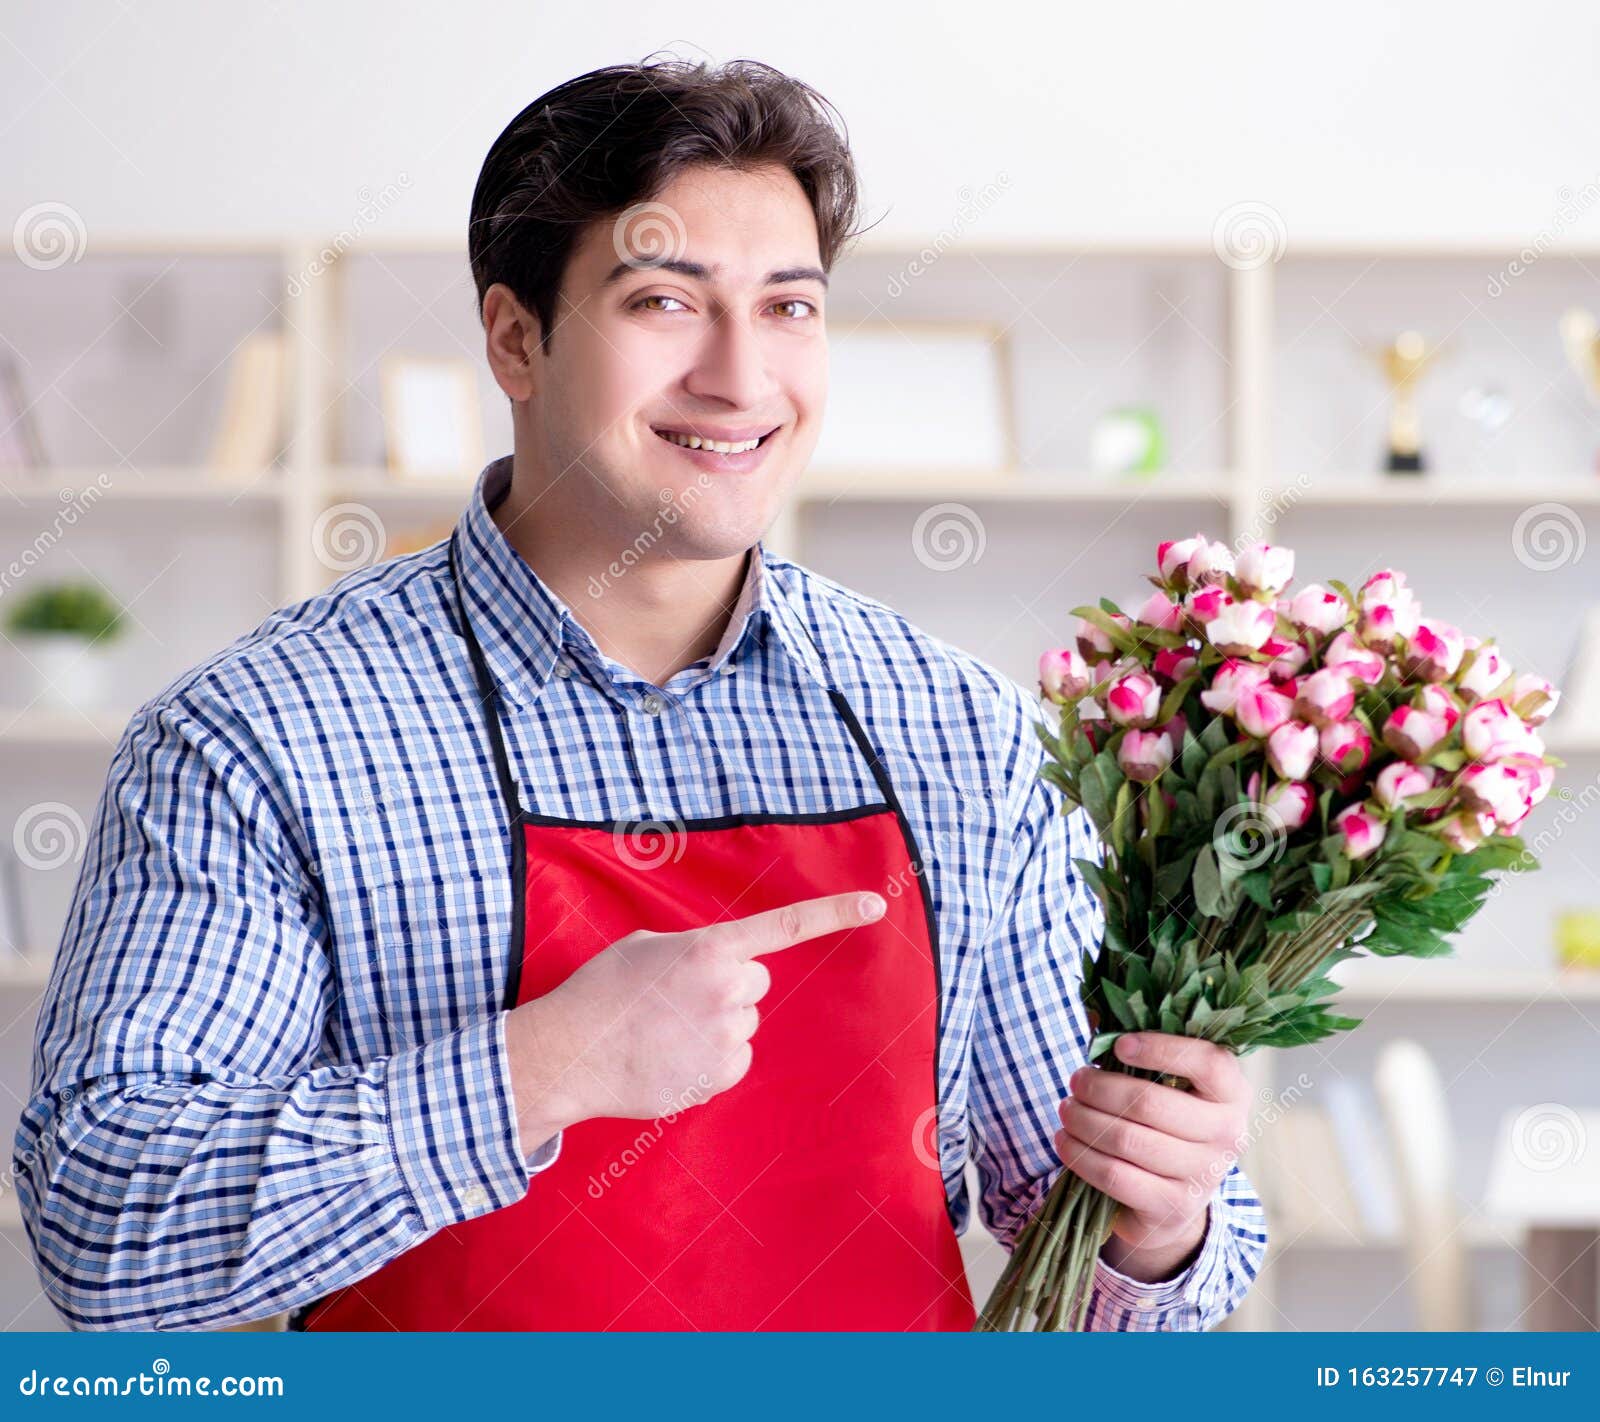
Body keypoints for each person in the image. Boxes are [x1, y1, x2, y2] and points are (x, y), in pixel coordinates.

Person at [13, 58, 1265, 1332]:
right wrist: (537, 1070)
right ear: (515, 337)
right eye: (666, 302)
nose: (739, 377)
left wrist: (1161, 1226)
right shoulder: (257, 737)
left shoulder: (961, 732)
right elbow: (105, 1235)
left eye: (788, 309)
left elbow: (1073, 1249)